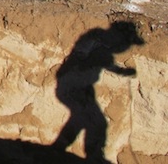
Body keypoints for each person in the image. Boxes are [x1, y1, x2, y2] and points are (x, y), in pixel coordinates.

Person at [53, 21, 143, 162]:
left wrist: (122, 71)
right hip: (71, 84)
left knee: (82, 119)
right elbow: (83, 56)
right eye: (126, 43)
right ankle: (92, 156)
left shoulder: (103, 45)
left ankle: (58, 148)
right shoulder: (95, 39)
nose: (126, 47)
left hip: (81, 86)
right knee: (96, 122)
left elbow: (105, 62)